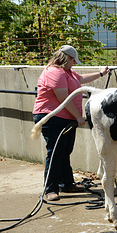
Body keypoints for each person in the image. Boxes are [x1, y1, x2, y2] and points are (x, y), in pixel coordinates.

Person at [33, 45, 110, 202]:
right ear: (66, 58)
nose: (74, 63)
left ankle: (66, 183)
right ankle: (50, 189)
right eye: (73, 60)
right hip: (52, 117)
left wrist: (101, 74)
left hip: (65, 117)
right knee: (55, 152)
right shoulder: (54, 72)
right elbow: (63, 98)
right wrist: (78, 117)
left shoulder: (67, 72)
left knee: (65, 150)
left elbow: (80, 79)